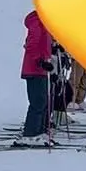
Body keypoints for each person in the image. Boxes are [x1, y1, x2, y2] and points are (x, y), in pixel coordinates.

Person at [21, 7, 54, 138]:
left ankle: (39, 130)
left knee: (43, 100)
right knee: (38, 101)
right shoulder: (37, 21)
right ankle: (31, 133)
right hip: (34, 68)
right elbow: (32, 44)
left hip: (41, 68)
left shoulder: (45, 21)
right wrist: (40, 61)